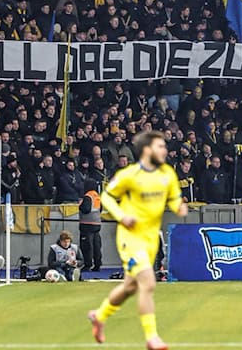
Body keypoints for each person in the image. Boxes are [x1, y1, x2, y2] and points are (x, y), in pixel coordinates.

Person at [88, 131, 188, 350]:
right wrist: (122, 216)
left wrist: (178, 206)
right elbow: (106, 196)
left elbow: (173, 198)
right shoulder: (130, 174)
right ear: (147, 150)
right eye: (160, 146)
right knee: (148, 282)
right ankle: (152, 337)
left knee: (130, 287)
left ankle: (100, 315)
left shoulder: (167, 173)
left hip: (151, 238)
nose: (165, 150)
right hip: (130, 237)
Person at [79, 179, 103, 272]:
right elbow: (100, 209)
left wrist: (80, 206)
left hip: (87, 223)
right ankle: (97, 264)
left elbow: (86, 209)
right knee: (96, 245)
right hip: (97, 223)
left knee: (87, 246)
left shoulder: (88, 196)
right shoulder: (97, 195)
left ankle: (87, 264)